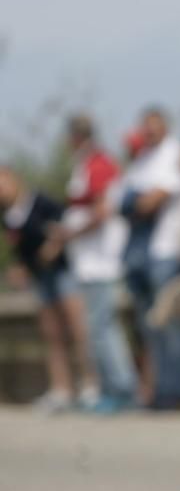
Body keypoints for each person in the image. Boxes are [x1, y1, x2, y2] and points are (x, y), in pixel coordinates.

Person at [0, 165, 99, 413]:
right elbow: (19, 248)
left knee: (78, 329)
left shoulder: (41, 202)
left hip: (63, 272)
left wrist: (52, 248)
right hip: (39, 277)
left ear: (14, 179)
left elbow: (65, 226)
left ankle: (90, 385)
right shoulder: (7, 215)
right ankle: (61, 389)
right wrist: (20, 268)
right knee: (51, 333)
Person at [57, 114, 137, 412]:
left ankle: (122, 388)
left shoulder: (99, 164)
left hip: (103, 261)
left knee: (103, 327)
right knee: (96, 327)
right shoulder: (83, 165)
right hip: (88, 263)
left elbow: (103, 210)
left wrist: (70, 233)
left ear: (76, 137)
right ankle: (111, 388)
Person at [119, 107, 180, 409]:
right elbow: (124, 202)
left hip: (167, 250)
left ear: (165, 126)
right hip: (141, 253)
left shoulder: (173, 153)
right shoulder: (142, 159)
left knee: (171, 324)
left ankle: (177, 389)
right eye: (145, 127)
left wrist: (138, 202)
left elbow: (152, 201)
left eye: (154, 126)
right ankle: (159, 388)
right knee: (149, 326)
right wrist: (136, 202)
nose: (149, 132)